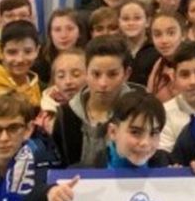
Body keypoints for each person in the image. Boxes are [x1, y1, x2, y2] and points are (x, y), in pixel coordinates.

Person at [51, 36, 140, 167]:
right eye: (96, 74)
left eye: (112, 74)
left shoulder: (139, 110)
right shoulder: (66, 114)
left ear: (126, 74)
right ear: (86, 72)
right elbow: (58, 164)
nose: (103, 83)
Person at [159, 40, 195, 152]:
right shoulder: (164, 115)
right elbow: (164, 161)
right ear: (174, 78)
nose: (193, 81)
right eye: (184, 75)